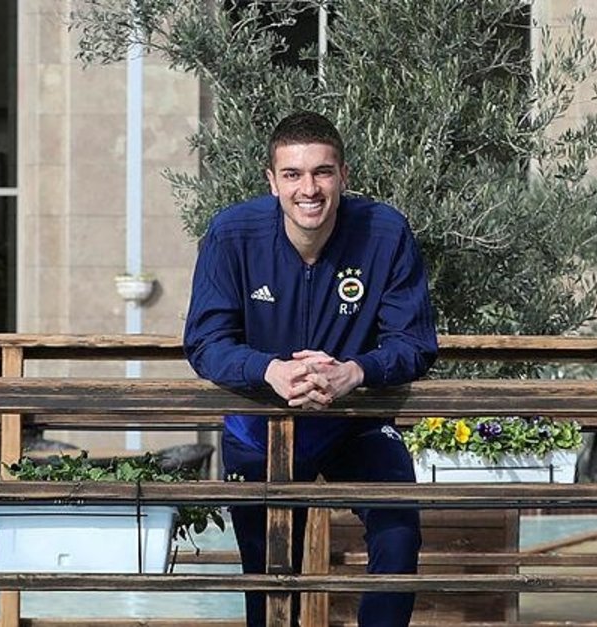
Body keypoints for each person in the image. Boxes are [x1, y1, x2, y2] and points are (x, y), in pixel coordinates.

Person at [183, 111, 438, 627]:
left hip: (355, 421)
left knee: (398, 534)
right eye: (293, 174)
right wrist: (269, 370)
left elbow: (414, 343)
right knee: (270, 577)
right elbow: (205, 342)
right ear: (272, 181)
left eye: (322, 172)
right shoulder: (232, 234)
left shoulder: (385, 232)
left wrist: (356, 371)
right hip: (259, 427)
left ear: (343, 176)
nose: (309, 189)